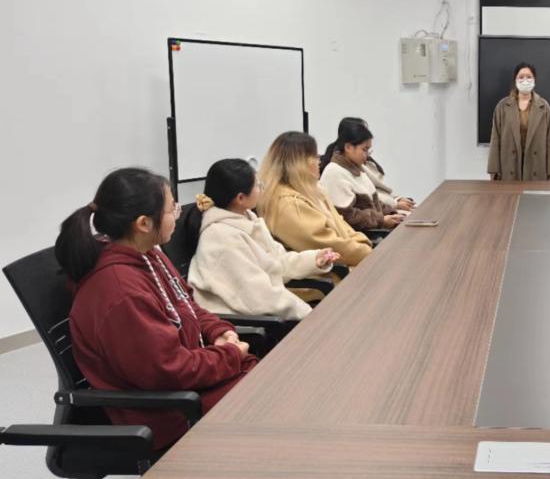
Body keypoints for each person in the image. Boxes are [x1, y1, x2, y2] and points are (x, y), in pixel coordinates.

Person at [55, 168, 258, 450]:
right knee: (270, 400)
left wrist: (218, 331)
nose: (177, 214)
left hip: (187, 387)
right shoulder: (120, 292)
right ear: (143, 223)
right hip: (168, 413)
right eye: (172, 208)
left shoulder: (148, 254)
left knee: (275, 384)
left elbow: (186, 304)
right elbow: (169, 370)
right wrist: (230, 356)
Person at [185, 159, 339, 321]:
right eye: (257, 185)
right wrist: (309, 314)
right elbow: (258, 295)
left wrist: (314, 259)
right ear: (240, 198)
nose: (260, 189)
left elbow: (278, 262)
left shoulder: (246, 218)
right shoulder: (221, 237)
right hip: (243, 323)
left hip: (265, 309)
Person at [258, 132, 373, 266]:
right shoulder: (287, 204)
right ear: (299, 163)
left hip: (351, 261)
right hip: (331, 272)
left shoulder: (314, 191)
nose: (319, 161)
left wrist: (363, 246)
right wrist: (364, 250)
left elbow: (343, 226)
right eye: (315, 156)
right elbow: (325, 244)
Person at [320, 122, 405, 231]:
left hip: (372, 230)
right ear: (348, 147)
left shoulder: (356, 169)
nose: (367, 155)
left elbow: (375, 204)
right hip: (359, 235)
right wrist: (382, 220)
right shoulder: (334, 173)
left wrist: (393, 214)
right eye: (364, 149)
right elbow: (347, 217)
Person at [487, 62, 550, 181]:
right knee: (510, 193)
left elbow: (549, 139)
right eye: (521, 77)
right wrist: (493, 169)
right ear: (515, 80)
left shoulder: (544, 107)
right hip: (509, 165)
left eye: (529, 77)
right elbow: (495, 138)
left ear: (535, 80)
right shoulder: (502, 106)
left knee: (533, 193)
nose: (525, 80)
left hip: (536, 166)